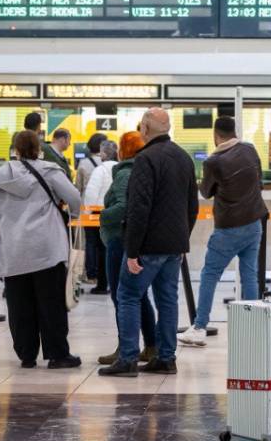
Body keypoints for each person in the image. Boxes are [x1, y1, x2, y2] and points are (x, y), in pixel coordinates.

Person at [98, 109, 197, 377]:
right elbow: (192, 205)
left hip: (149, 245)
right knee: (167, 300)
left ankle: (128, 358)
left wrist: (132, 250)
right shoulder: (183, 157)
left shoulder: (145, 159)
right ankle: (166, 358)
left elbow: (138, 208)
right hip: (174, 245)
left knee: (128, 295)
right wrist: (183, 239)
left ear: (145, 129)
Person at [0, 130, 83, 370]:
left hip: (13, 250)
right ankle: (57, 354)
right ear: (39, 149)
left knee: (19, 304)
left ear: (15, 149)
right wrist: (73, 215)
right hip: (47, 248)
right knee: (51, 303)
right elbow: (74, 198)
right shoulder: (50, 171)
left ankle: (26, 355)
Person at [179, 116, 268, 347]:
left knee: (210, 274)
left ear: (215, 135)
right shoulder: (250, 150)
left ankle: (199, 327)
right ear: (234, 131)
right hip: (254, 223)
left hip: (229, 227)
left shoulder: (213, 162)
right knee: (249, 275)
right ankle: (254, 326)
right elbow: (259, 181)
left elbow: (205, 192)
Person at [94, 131, 157, 366]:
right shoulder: (144, 170)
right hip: (134, 239)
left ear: (123, 150)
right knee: (139, 295)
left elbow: (123, 207)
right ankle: (151, 346)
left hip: (119, 240)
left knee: (121, 296)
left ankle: (125, 347)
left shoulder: (124, 174)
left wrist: (102, 215)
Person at [79, 139, 117, 294]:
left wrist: (86, 214)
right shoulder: (119, 168)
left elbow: (91, 193)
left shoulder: (100, 170)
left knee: (99, 249)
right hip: (115, 212)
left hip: (98, 213)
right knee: (111, 248)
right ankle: (112, 283)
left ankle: (101, 284)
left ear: (103, 154)